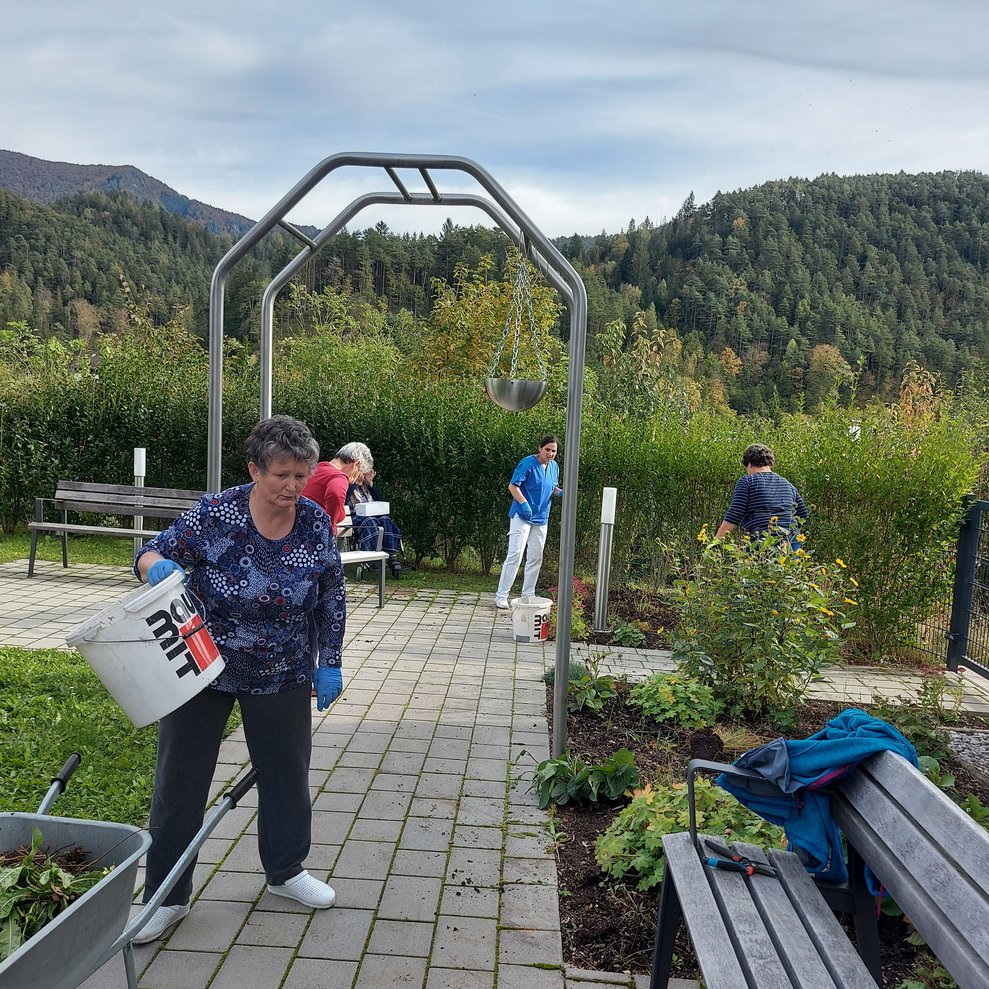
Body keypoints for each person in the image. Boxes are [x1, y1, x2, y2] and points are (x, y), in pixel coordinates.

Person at [130, 415, 346, 945]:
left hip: (283, 669)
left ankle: (286, 871)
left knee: (287, 774)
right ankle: (165, 896)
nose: (293, 487)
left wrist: (330, 660)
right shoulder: (216, 514)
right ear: (255, 470)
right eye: (281, 475)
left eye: (301, 475)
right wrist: (154, 567)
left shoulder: (315, 523)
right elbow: (149, 551)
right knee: (180, 781)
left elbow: (331, 595)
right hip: (203, 665)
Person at [494, 434, 563, 609]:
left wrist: (561, 493)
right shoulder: (528, 463)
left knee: (535, 557)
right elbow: (513, 486)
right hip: (522, 516)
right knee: (515, 554)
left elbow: (550, 487)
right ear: (540, 448)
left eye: (554, 451)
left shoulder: (554, 467)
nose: (550, 454)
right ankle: (502, 595)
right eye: (547, 450)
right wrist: (523, 503)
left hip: (541, 518)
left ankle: (528, 593)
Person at [715, 443, 808, 547]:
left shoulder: (747, 481)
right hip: (791, 542)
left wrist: (716, 542)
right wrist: (790, 531)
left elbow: (735, 514)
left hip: (763, 541)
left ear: (749, 464)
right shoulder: (788, 485)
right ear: (770, 464)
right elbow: (803, 514)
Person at [301, 441, 374, 535]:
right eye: (360, 472)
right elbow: (335, 494)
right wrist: (329, 525)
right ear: (356, 464)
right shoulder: (338, 477)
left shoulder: (317, 468)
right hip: (314, 532)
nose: (357, 478)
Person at [347, 468, 405, 577]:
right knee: (370, 521)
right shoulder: (348, 483)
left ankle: (391, 555)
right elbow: (344, 500)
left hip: (373, 513)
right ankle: (372, 554)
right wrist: (355, 484)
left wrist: (370, 483)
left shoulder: (367, 486)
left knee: (386, 520)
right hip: (356, 515)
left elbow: (378, 498)